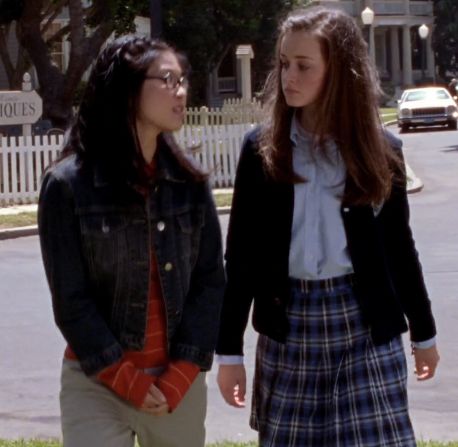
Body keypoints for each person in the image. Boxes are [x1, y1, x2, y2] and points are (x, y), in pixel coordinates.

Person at [216, 6, 439, 447]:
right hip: (289, 326)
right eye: (283, 64)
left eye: (303, 66)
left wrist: (424, 332)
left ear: (337, 71)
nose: (288, 77)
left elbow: (399, 248)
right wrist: (228, 352)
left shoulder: (381, 150)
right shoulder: (261, 152)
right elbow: (240, 257)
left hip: (364, 326)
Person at [38, 35, 225, 447]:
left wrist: (180, 376)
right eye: (168, 79)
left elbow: (210, 283)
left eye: (183, 80)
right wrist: (128, 382)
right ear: (128, 88)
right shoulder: (67, 187)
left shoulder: (190, 183)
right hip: (97, 383)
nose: (181, 90)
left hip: (178, 385)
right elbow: (71, 302)